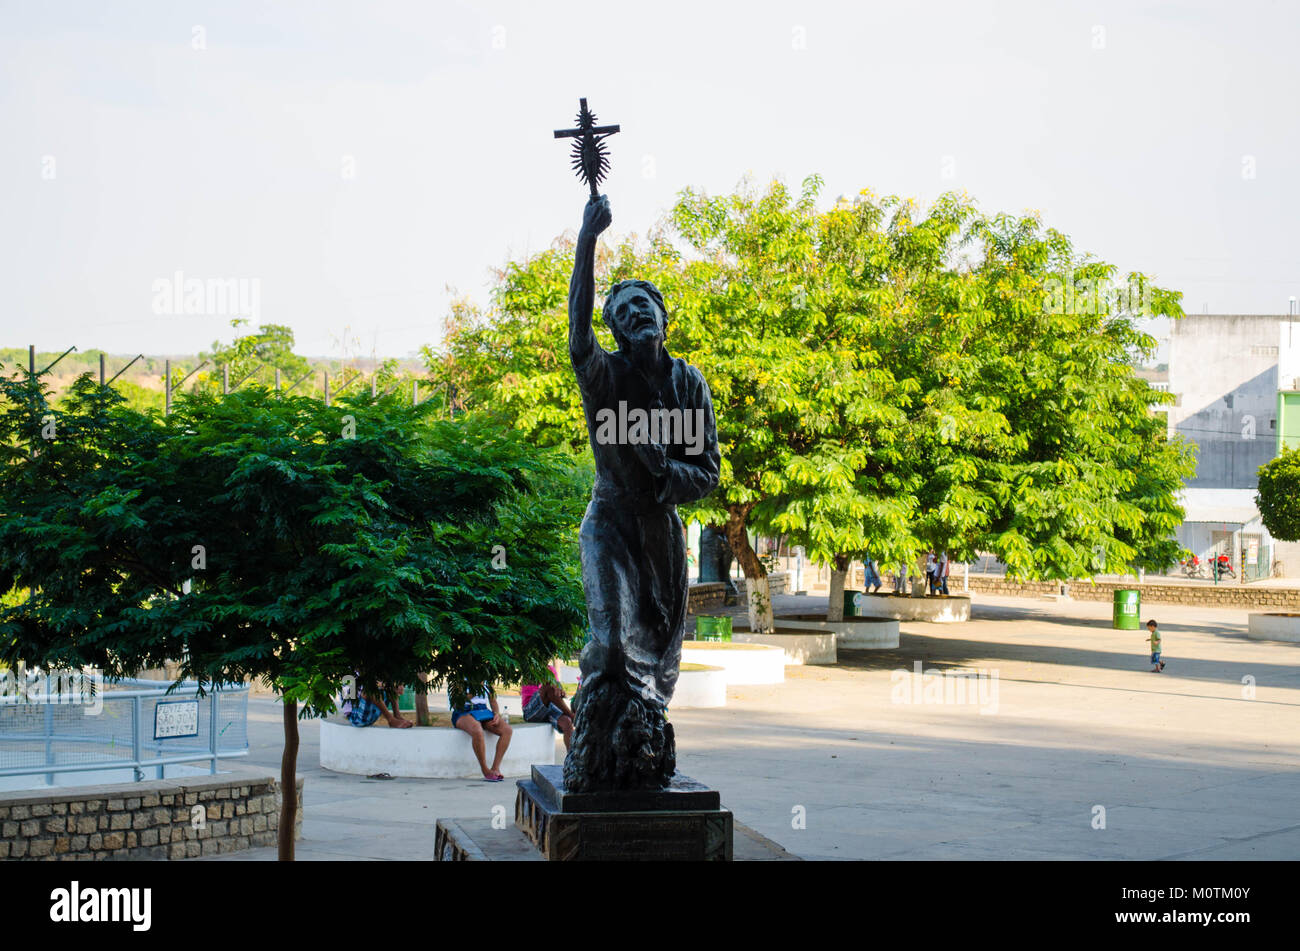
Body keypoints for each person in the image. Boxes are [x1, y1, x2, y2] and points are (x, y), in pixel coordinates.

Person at [449, 684, 512, 781]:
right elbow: (456, 704)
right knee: (477, 730)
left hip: (483, 710)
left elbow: (493, 701)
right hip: (463, 711)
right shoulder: (459, 678)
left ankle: (495, 768)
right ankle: (485, 769)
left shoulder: (485, 676)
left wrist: (496, 714)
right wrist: (476, 688)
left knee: (507, 730)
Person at [521, 664, 576, 750]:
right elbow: (547, 687)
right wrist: (553, 687)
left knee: (567, 723)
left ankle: (572, 759)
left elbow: (555, 689)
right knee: (548, 687)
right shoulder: (530, 667)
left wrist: (560, 692)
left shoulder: (551, 669)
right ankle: (573, 716)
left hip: (549, 708)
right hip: (531, 711)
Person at [342, 682, 412, 729]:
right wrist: (384, 684)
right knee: (369, 690)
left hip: (370, 713)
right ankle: (391, 720)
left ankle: (397, 716)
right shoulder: (349, 675)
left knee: (391, 684)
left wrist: (396, 686)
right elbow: (351, 700)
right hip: (355, 717)